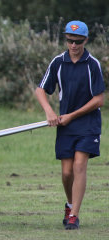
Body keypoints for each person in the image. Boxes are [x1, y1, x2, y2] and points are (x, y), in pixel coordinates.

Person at [35, 20, 105, 230]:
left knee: (79, 165)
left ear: (85, 40)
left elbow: (99, 100)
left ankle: (74, 216)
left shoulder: (92, 64)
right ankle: (70, 204)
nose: (73, 45)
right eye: (69, 41)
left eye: (78, 41)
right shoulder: (58, 61)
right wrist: (50, 112)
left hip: (87, 122)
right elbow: (41, 90)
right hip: (65, 124)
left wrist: (72, 115)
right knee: (66, 173)